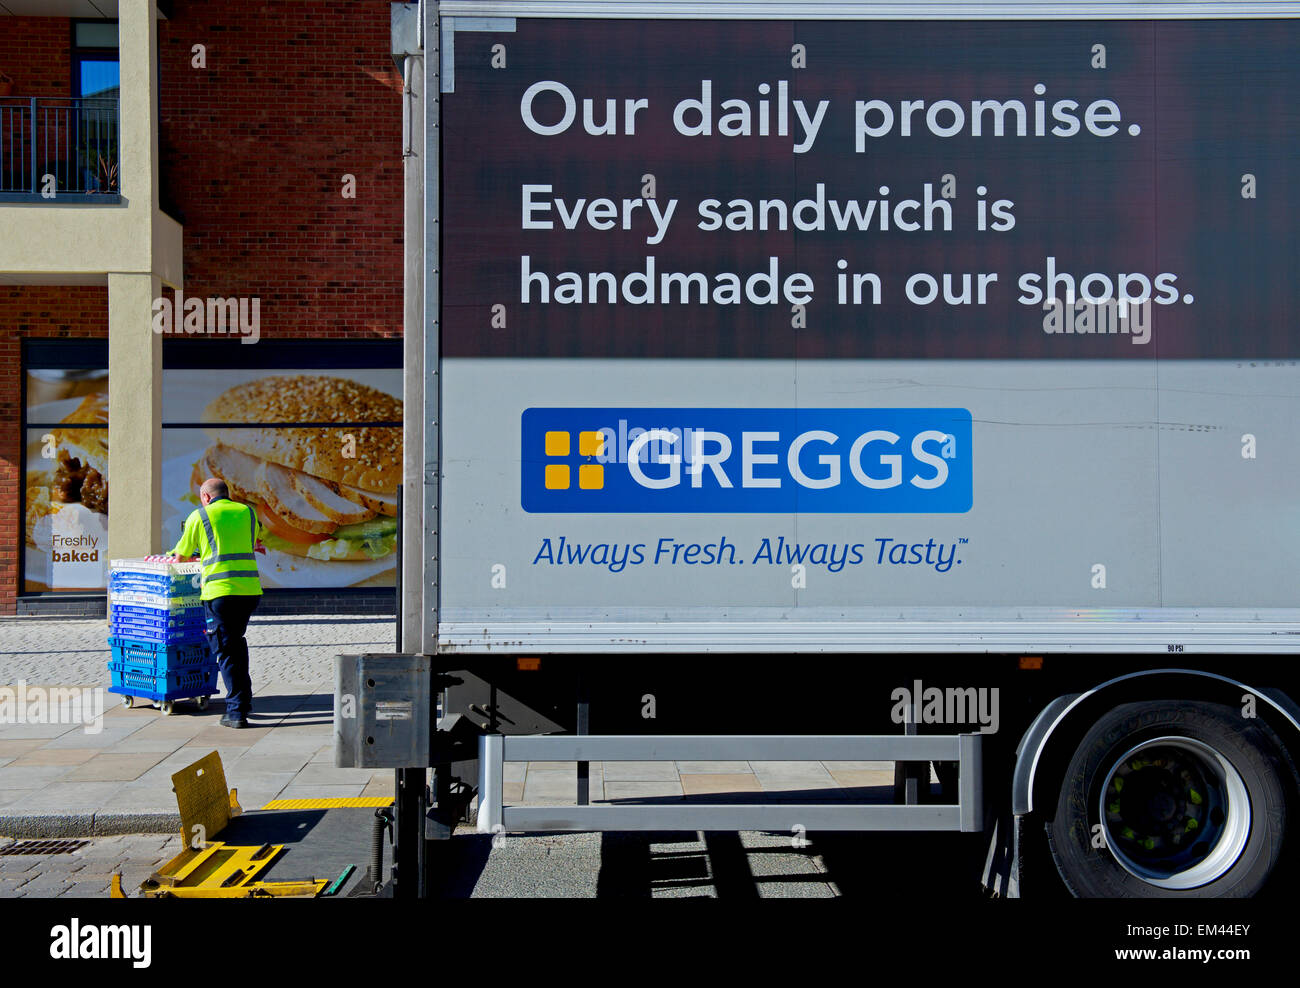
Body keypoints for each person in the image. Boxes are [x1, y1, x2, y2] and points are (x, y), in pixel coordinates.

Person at [168, 477, 263, 728]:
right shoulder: (248, 512)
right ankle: (244, 701)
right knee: (236, 644)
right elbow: (249, 543)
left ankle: (236, 712)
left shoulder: (199, 516)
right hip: (249, 591)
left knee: (226, 650)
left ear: (206, 497)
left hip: (220, 593)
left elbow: (181, 558)